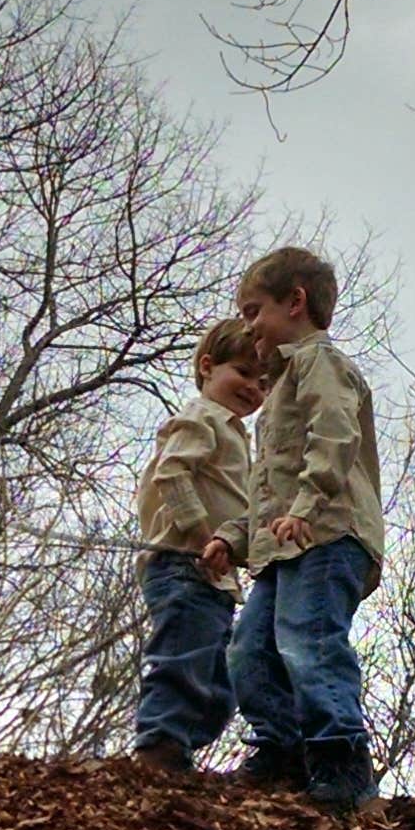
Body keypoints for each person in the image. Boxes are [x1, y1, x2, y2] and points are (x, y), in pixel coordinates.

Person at [225, 244, 386, 815]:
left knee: (308, 642)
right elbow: (265, 489)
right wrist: (232, 539)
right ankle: (282, 750)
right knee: (249, 650)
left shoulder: (321, 362)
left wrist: (309, 504)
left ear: (294, 302)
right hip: (281, 547)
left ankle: (343, 766)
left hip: (326, 534)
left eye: (254, 312)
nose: (248, 327)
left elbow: (334, 434)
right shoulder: (278, 391)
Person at [129, 320, 267, 772]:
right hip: (184, 563)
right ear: (207, 367)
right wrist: (200, 535)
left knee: (218, 686)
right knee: (183, 655)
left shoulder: (238, 437)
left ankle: (179, 749)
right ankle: (158, 747)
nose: (253, 388)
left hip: (216, 575)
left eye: (263, 382)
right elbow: (172, 473)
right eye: (243, 372)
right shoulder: (203, 417)